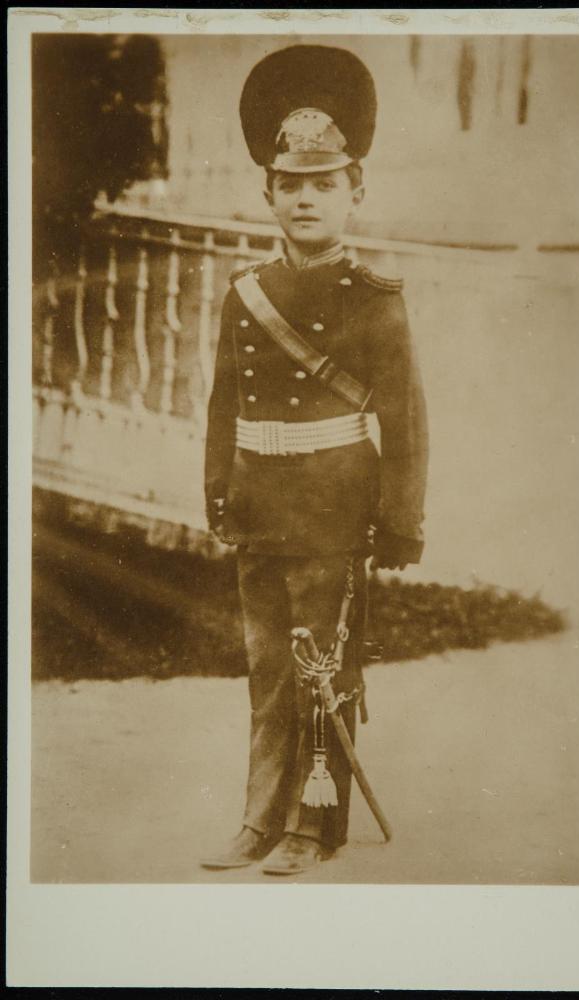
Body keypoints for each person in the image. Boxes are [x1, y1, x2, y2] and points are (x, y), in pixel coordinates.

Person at [201, 44, 429, 876]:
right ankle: (258, 818)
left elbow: (404, 420)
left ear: (354, 192)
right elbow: (224, 405)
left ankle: (313, 824)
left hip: (335, 507)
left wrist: (400, 521)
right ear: (267, 194)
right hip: (260, 502)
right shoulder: (244, 293)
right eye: (289, 185)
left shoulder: (373, 301)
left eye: (323, 184)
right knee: (267, 668)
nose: (304, 200)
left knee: (321, 670)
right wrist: (218, 493)